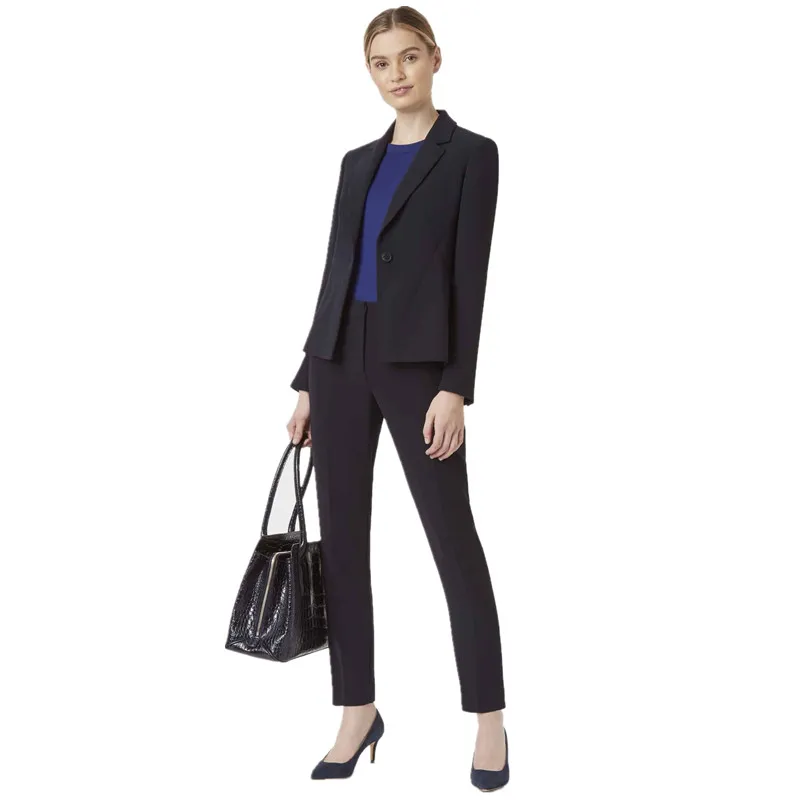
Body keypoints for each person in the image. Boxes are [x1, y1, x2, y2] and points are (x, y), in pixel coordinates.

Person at [285, 6, 509, 790]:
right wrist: (307, 379)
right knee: (343, 544)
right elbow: (336, 270)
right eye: (381, 63)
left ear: (435, 58)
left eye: (409, 57)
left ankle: (489, 718)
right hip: (339, 361)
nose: (396, 74)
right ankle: (357, 710)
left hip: (420, 369)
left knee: (453, 539)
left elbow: (470, 278)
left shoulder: (471, 155)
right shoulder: (356, 163)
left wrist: (456, 386)